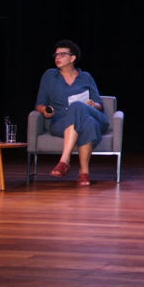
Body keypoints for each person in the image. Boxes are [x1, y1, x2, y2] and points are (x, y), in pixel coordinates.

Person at [34, 40, 109, 186]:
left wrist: (94, 105)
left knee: (78, 107)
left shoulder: (86, 76)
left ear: (72, 58)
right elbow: (39, 104)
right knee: (88, 123)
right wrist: (45, 111)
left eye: (62, 54)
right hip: (61, 122)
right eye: (56, 55)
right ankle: (84, 172)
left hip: (93, 115)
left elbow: (100, 104)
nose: (57, 57)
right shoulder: (49, 76)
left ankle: (64, 160)